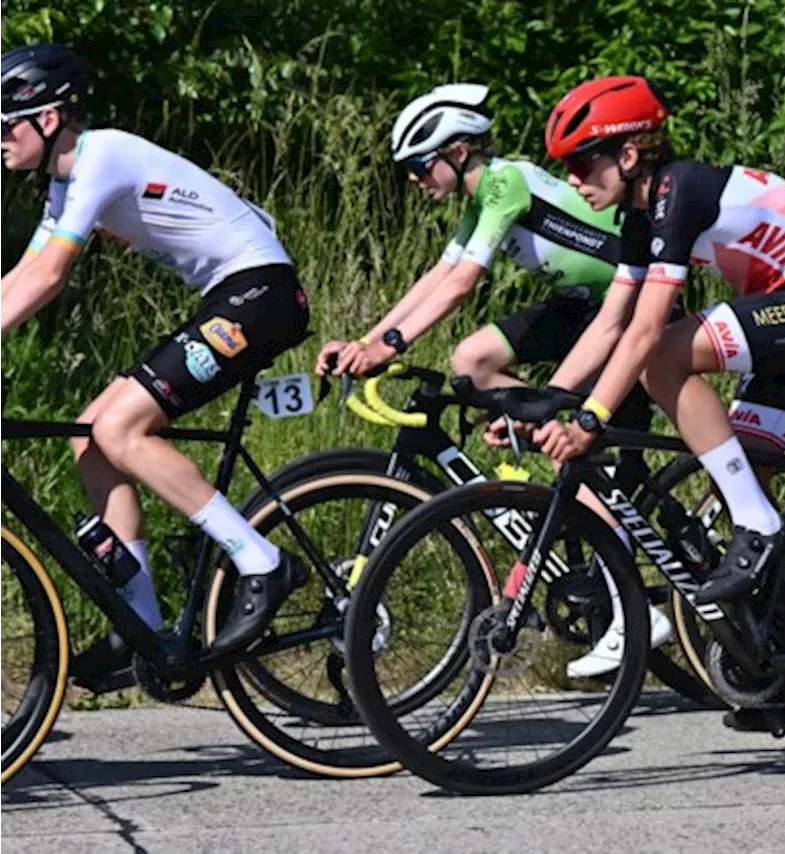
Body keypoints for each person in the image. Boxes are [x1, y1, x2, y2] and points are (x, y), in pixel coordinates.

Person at [313, 83, 671, 677]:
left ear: (457, 152)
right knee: (473, 358)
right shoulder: (486, 195)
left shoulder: (505, 181)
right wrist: (368, 340)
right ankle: (543, 439)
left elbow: (459, 287)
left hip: (626, 309)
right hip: (584, 304)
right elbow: (441, 271)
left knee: (575, 466)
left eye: (419, 165)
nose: (413, 178)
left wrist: (390, 346)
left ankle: (631, 616)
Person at [0, 44, 312, 691]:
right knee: (92, 439)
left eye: (5, 124)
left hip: (260, 295)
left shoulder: (101, 156)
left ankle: (261, 560)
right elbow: (26, 273)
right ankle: (141, 626)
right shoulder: (65, 183)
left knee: (121, 430)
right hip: (234, 296)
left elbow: (51, 276)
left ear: (50, 119)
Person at [535, 75, 785, 605]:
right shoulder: (638, 218)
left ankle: (759, 527)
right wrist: (544, 403)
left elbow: (646, 331)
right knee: (738, 465)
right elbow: (610, 325)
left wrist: (590, 419)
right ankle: (783, 632)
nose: (574, 180)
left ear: (629, 155)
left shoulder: (680, 189)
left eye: (581, 164)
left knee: (662, 358)